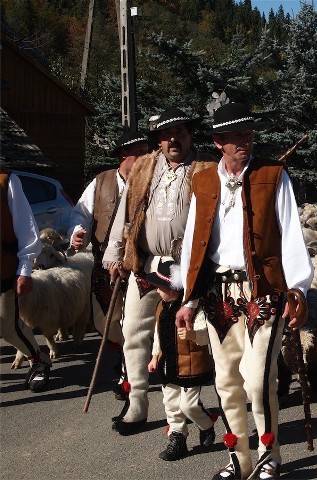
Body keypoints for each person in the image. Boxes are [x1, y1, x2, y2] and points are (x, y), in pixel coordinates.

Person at [176, 102, 313, 480]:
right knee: (226, 382)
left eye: (249, 134)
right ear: (218, 141)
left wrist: (298, 289)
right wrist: (188, 298)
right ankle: (240, 458)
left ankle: (270, 455)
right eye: (237, 135)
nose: (245, 142)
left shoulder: (273, 176)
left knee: (257, 379)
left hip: (264, 292)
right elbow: (193, 242)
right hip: (218, 295)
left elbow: (291, 235)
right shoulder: (202, 182)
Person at [103, 107, 215, 435]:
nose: (173, 139)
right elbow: (125, 215)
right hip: (145, 263)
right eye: (166, 135)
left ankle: (186, 407)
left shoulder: (207, 169)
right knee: (134, 332)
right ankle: (137, 403)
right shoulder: (144, 168)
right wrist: (115, 256)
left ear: (190, 135)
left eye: (180, 132)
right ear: (158, 140)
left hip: (185, 268)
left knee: (182, 338)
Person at [68, 130, 149, 399]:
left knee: (132, 322)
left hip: (140, 263)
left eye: (146, 150)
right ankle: (123, 353)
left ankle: (128, 375)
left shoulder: (152, 179)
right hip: (105, 262)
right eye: (138, 151)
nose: (144, 156)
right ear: (122, 156)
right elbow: (80, 213)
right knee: (105, 323)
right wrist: (78, 231)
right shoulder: (101, 182)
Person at [146, 258, 216, 461]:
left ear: (175, 290)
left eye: (161, 288)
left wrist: (193, 335)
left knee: (188, 405)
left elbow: (206, 335)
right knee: (171, 403)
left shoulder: (193, 309)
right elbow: (158, 335)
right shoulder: (161, 307)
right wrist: (154, 356)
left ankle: (206, 424)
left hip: (190, 365)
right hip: (167, 364)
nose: (157, 291)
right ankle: (177, 436)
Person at [0, 170, 52, 392]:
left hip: (3, 267)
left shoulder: (6, 180)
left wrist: (25, 269)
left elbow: (26, 227)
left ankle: (39, 359)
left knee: (8, 326)